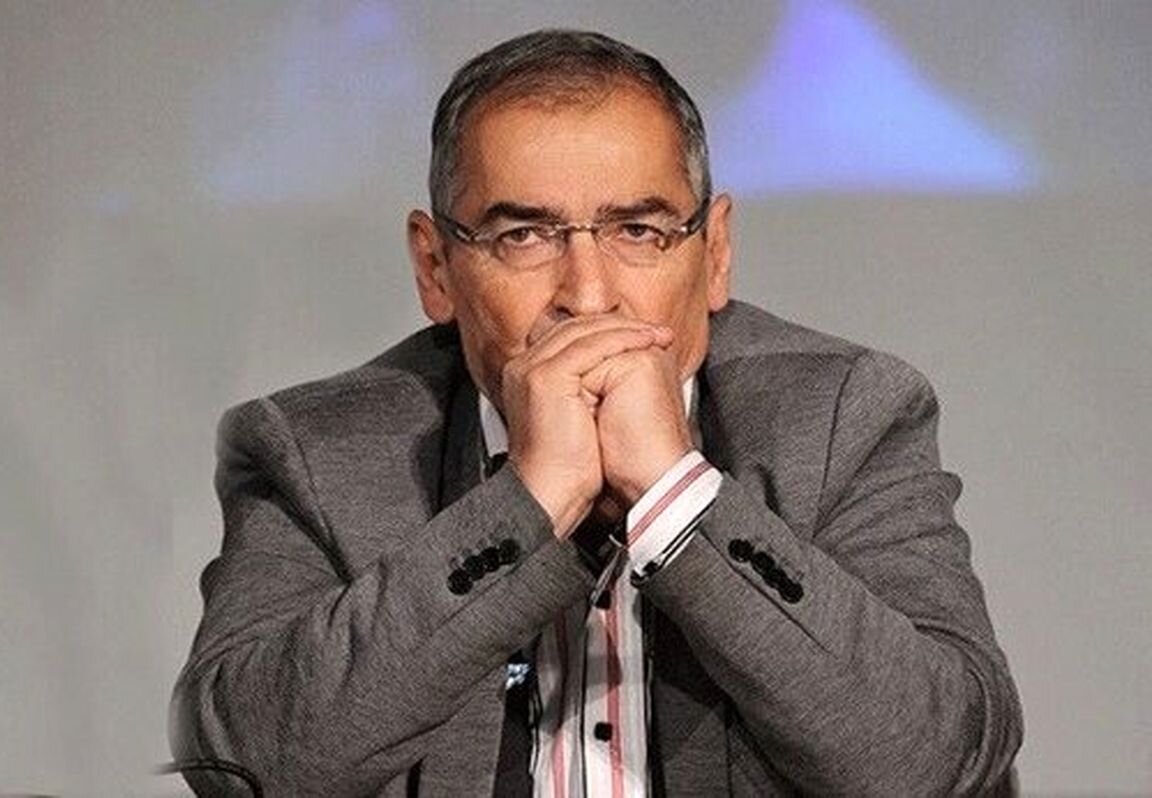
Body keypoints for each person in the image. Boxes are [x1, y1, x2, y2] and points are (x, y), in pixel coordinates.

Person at [171, 29, 1022, 797]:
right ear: (435, 269)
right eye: (523, 236)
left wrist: (677, 499)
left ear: (715, 254)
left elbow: (937, 764)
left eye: (639, 231)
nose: (586, 296)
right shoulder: (317, 452)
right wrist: (527, 506)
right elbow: (248, 767)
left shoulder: (847, 417)